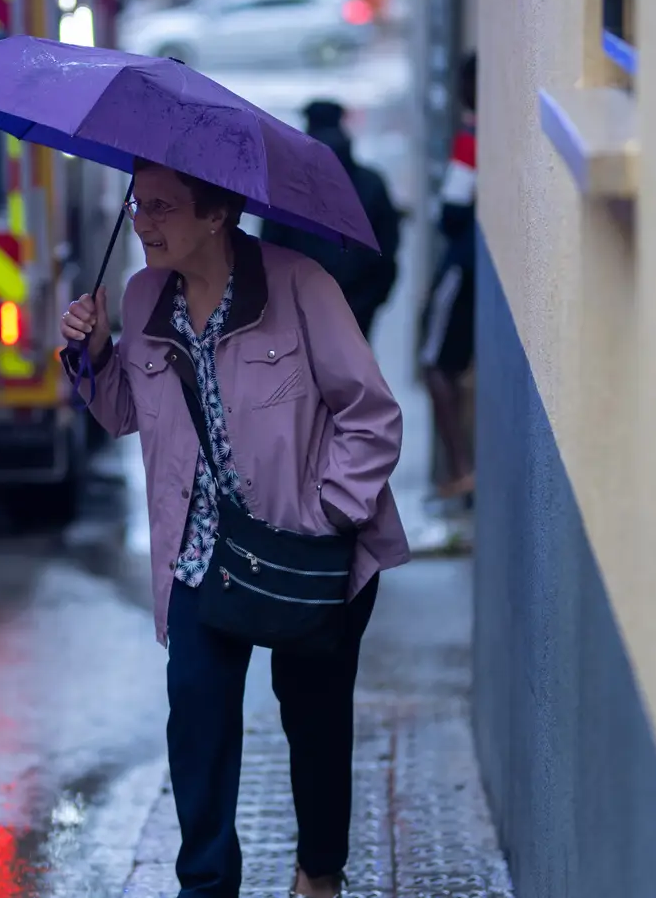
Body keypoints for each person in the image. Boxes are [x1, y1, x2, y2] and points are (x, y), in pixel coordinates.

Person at [59, 159, 410, 898]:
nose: (143, 221)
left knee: (313, 724)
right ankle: (206, 884)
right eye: (137, 202)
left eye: (161, 205)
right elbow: (123, 411)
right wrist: (91, 356)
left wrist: (325, 515)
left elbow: (371, 415)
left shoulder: (301, 285)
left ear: (216, 213)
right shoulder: (143, 293)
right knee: (198, 723)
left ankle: (319, 872)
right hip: (201, 554)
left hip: (303, 549)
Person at [258, 100, 401, 337]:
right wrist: (371, 301)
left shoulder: (286, 188)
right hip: (358, 308)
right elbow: (388, 250)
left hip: (300, 306)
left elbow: (269, 250)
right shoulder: (372, 184)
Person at [418, 51, 478, 502]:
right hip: (478, 261)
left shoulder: (471, 139)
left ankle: (462, 468)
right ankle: (463, 468)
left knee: (436, 362)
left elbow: (452, 213)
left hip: (463, 262)